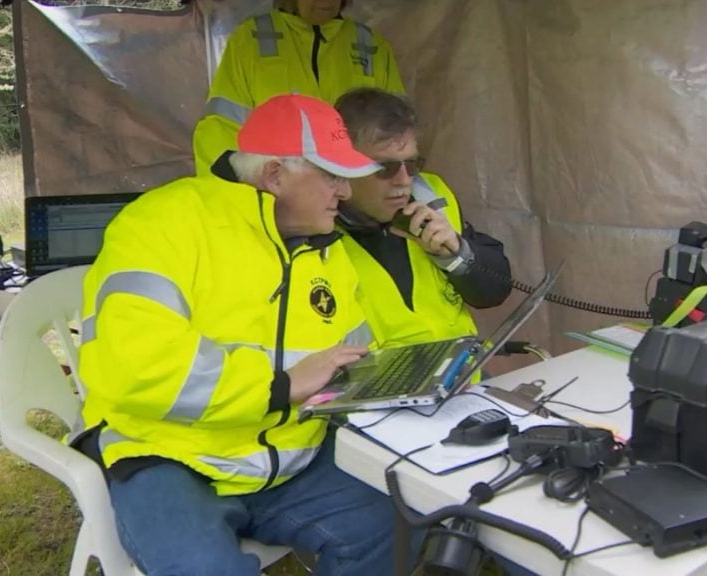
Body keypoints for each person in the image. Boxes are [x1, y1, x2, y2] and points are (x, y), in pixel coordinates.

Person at [75, 94, 397, 576]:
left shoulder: (328, 249)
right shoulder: (161, 224)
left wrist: (395, 384)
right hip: (167, 456)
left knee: (394, 522)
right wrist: (282, 386)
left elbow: (349, 355)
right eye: (332, 175)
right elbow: (137, 368)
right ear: (274, 176)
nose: (346, 193)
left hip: (292, 454)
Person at [333, 87, 513, 349]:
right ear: (342, 166)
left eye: (411, 165)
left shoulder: (430, 197)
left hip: (463, 376)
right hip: (381, 387)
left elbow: (495, 292)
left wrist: (456, 254)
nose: (404, 181)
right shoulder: (316, 230)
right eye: (385, 168)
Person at [193, 0, 405, 176]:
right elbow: (222, 128)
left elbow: (399, 132)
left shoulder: (371, 46)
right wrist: (245, 193)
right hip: (278, 192)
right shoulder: (250, 40)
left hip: (357, 191)